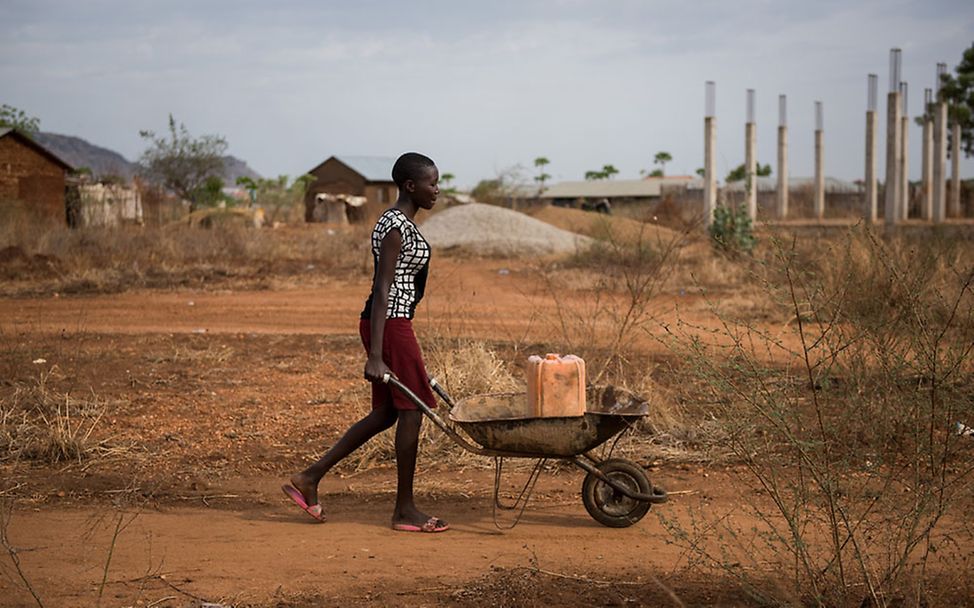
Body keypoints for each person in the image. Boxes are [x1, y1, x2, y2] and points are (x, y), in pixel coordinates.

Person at [282, 152, 448, 533]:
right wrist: (376, 354)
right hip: (388, 324)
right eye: (432, 183)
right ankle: (404, 510)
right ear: (410, 186)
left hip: (391, 323)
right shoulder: (394, 225)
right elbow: (382, 286)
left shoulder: (403, 223)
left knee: (387, 413)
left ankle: (310, 477)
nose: (437, 189)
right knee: (412, 410)